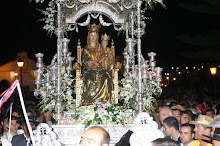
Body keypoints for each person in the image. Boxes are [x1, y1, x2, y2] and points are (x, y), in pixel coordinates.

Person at [81, 23, 114, 105]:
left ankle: (104, 103)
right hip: (89, 71)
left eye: (94, 36)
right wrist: (90, 63)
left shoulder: (101, 47)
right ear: (89, 36)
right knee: (90, 80)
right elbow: (84, 61)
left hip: (102, 71)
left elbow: (108, 59)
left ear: (97, 37)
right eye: (91, 35)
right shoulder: (86, 49)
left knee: (106, 79)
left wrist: (106, 60)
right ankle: (89, 101)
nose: (93, 37)